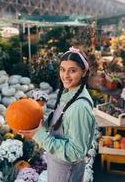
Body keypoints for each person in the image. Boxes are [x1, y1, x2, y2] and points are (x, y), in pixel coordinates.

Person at [33, 46, 96, 182]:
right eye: (62, 70)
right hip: (60, 169)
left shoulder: (79, 107)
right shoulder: (69, 94)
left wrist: (40, 136)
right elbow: (64, 124)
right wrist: (40, 122)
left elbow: (75, 152)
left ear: (84, 72)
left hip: (66, 174)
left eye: (72, 71)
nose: (65, 76)